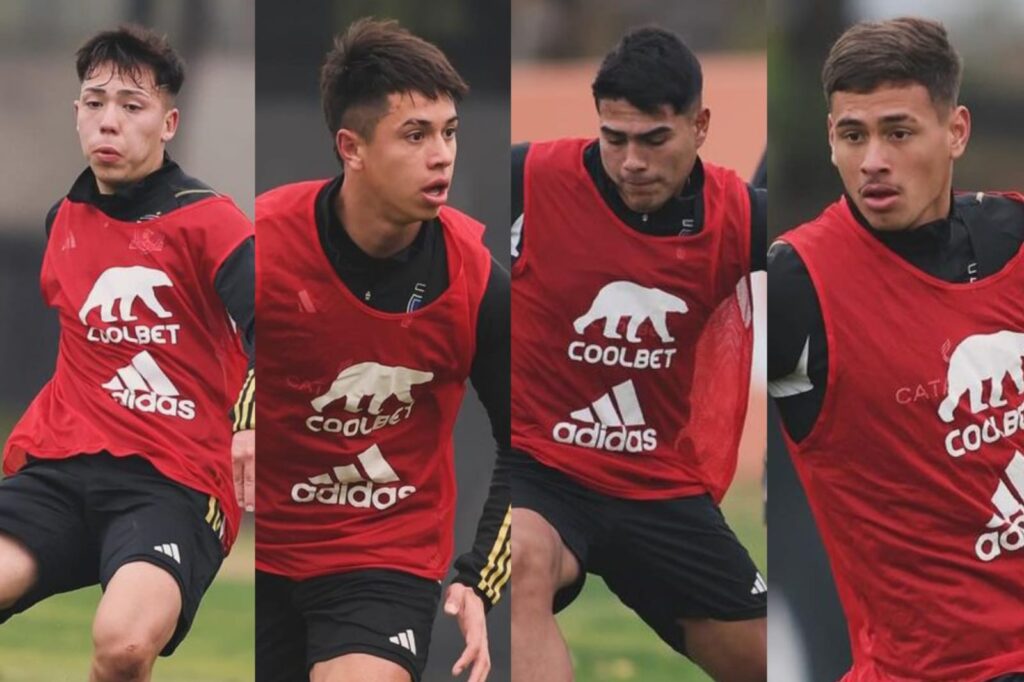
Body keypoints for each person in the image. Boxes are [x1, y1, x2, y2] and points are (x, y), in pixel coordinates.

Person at [769, 16, 1024, 681]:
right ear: (831, 140)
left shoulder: (1015, 235)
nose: (873, 160)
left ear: (957, 132)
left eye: (898, 132)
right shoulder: (799, 284)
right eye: (853, 135)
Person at [255, 18, 509, 682]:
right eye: (415, 135)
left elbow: (531, 442)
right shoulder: (262, 244)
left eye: (449, 132)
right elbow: (200, 358)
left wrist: (482, 575)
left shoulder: (475, 279)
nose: (443, 155)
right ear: (352, 147)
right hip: (266, 557)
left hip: (385, 561)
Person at [510, 26, 767, 682]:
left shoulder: (740, 217)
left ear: (700, 125)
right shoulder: (528, 178)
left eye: (654, 140)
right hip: (537, 469)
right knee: (518, 560)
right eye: (613, 138)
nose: (631, 162)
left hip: (658, 485)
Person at [0, 25, 255, 682]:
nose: (109, 120)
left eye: (132, 106)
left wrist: (251, 422)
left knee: (122, 645)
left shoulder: (211, 221)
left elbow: (277, 330)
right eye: (95, 102)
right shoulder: (65, 221)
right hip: (61, 470)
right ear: (77, 112)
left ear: (168, 123)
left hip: (173, 481)